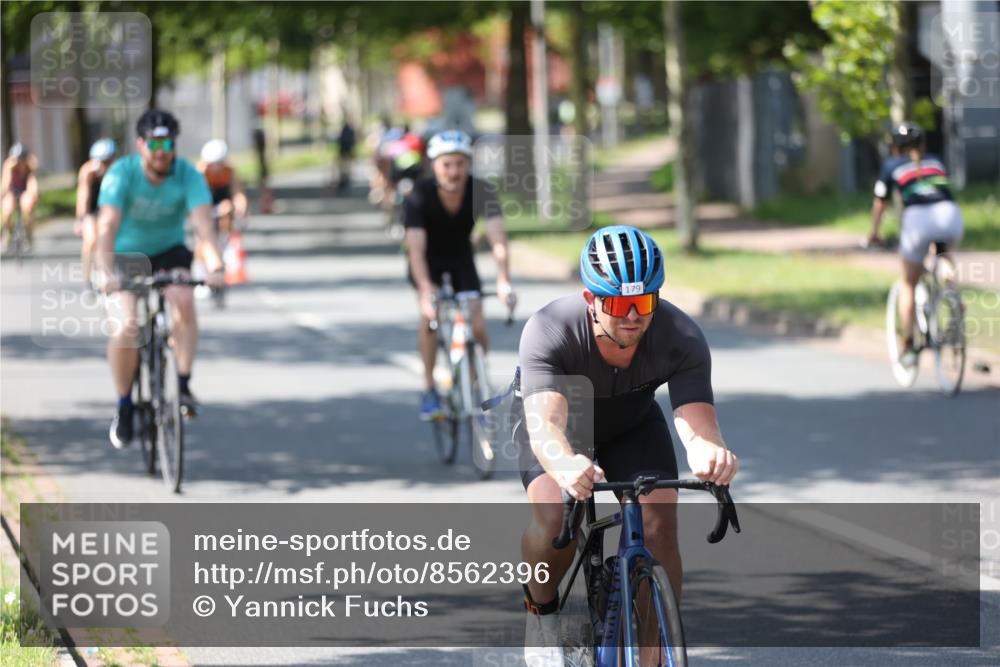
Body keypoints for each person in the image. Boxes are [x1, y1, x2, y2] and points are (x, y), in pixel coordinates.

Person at [515, 225, 739, 666]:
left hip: (632, 424)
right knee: (555, 521)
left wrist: (709, 452)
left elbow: (697, 425)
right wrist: (564, 463)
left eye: (645, 301)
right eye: (618, 304)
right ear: (590, 300)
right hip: (561, 428)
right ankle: (540, 614)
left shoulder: (681, 335)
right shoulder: (549, 330)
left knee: (659, 524)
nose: (633, 315)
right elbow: (546, 426)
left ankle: (653, 652)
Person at [93, 109, 224, 449]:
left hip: (169, 252)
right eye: (155, 143)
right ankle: (124, 405)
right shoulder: (121, 174)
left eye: (168, 142)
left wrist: (215, 266)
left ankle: (182, 384)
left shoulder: (187, 174)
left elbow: (204, 228)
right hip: (126, 256)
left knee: (183, 299)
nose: (162, 150)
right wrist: (106, 273)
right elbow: (106, 226)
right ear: (141, 144)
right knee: (127, 326)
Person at [404, 129, 514, 420]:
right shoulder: (419, 194)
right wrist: (426, 289)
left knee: (477, 323)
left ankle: (471, 384)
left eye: (460, 164)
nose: (454, 171)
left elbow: (498, 240)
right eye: (446, 164)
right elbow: (415, 249)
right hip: (428, 261)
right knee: (430, 319)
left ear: (469, 164)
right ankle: (429, 387)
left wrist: (503, 280)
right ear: (434, 166)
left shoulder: (483, 190)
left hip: (460, 257)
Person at [868, 121, 964, 367]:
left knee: (909, 282)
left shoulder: (891, 165)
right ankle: (953, 297)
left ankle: (909, 346)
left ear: (895, 147)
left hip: (918, 218)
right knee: (943, 254)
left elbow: (880, 202)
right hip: (949, 214)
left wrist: (874, 233)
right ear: (921, 144)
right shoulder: (935, 161)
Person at [75, 138, 117, 283]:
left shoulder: (118, 172)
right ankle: (87, 277)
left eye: (107, 161)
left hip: (110, 208)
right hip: (92, 209)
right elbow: (83, 197)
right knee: (91, 240)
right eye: (100, 161)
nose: (103, 166)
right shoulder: (88, 172)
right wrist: (81, 220)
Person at [1, 142, 40, 251]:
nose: (19, 161)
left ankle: (28, 235)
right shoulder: (8, 165)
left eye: (21, 159)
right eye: (17, 159)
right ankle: (7, 233)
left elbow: (33, 183)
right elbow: (5, 185)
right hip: (12, 192)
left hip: (25, 191)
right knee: (7, 209)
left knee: (27, 206)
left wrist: (34, 195)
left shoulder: (30, 165)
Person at [336, 118, 356, 193]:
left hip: (344, 151)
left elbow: (339, 141)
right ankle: (344, 179)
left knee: (344, 167)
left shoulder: (344, 131)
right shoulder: (350, 131)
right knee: (346, 167)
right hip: (346, 151)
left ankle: (344, 179)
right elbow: (353, 142)